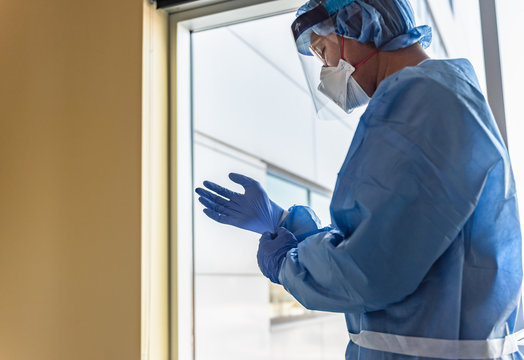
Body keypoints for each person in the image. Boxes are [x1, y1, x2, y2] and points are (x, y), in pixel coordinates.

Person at [195, 0, 524, 359]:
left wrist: (288, 264)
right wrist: (288, 226)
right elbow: (390, 242)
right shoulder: (436, 97)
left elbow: (369, 270)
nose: (325, 71)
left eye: (322, 51)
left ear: (359, 23)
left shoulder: (422, 104)